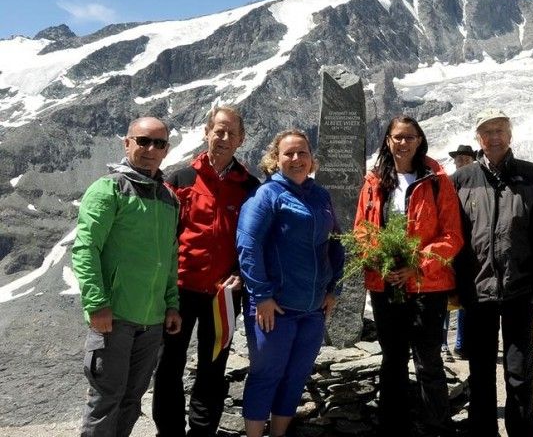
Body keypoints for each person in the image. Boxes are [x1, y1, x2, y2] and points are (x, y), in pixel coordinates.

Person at [71, 117, 182, 437]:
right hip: (114, 317)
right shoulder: (108, 188)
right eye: (143, 141)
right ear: (127, 143)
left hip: (152, 321)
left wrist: (171, 305)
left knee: (132, 401)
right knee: (105, 401)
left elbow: (170, 257)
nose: (150, 149)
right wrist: (96, 303)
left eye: (158, 143)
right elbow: (85, 248)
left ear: (166, 150)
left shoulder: (168, 198)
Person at [153, 106, 260, 436]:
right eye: (219, 131)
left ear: (241, 139)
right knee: (169, 365)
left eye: (231, 133)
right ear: (207, 132)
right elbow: (162, 237)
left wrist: (241, 275)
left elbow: (255, 240)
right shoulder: (181, 179)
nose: (224, 138)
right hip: (180, 291)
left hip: (222, 296)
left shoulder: (250, 187)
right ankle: (169, 431)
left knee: (213, 367)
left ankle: (202, 431)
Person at [354, 116, 463, 437]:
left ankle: (437, 427)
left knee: (428, 360)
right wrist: (381, 260)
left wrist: (416, 264)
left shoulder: (436, 180)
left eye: (409, 137)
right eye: (397, 137)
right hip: (385, 284)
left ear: (419, 140)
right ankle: (393, 427)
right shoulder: (374, 181)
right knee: (393, 360)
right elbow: (362, 231)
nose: (403, 143)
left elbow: (452, 235)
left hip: (428, 285)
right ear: (387, 140)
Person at [452, 109, 533, 437]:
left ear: (510, 136)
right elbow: (452, 238)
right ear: (478, 138)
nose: (494, 137)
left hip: (519, 289)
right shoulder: (462, 180)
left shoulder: (531, 176)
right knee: (480, 370)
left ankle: (522, 432)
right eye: (487, 132)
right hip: (476, 290)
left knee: (520, 371)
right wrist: (452, 285)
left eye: (500, 130)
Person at [236, 129, 344, 437]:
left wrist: (333, 288)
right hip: (275, 307)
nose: (296, 159)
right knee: (266, 375)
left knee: (296, 376)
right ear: (275, 159)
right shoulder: (267, 195)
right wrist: (262, 296)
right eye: (289, 153)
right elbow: (248, 245)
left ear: (312, 160)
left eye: (303, 153)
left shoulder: (320, 195)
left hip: (312, 309)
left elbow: (335, 243)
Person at [441, 144, 476, 361]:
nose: (461, 161)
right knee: (443, 297)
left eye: (465, 158)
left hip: (469, 250)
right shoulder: (448, 182)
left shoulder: (479, 183)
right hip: (448, 247)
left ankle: (462, 344)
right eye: (458, 159)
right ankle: (442, 344)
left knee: (466, 298)